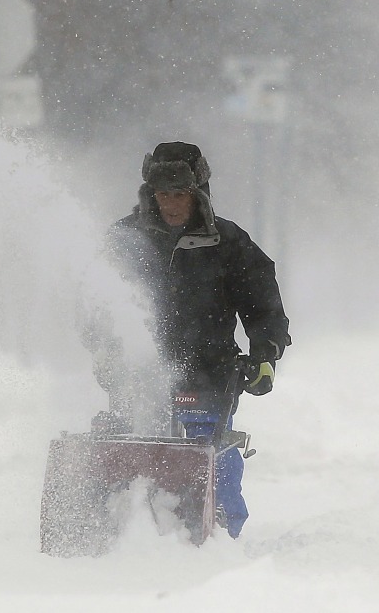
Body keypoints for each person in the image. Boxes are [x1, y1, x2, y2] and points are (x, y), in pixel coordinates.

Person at [92, 141, 291, 538]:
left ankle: (218, 527)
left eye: (179, 194)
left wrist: (264, 356)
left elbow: (263, 308)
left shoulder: (229, 244)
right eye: (163, 194)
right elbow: (93, 304)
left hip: (210, 373)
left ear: (197, 195)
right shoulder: (124, 240)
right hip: (137, 374)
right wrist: (104, 347)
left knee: (213, 453)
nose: (170, 204)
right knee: (129, 444)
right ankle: (119, 529)